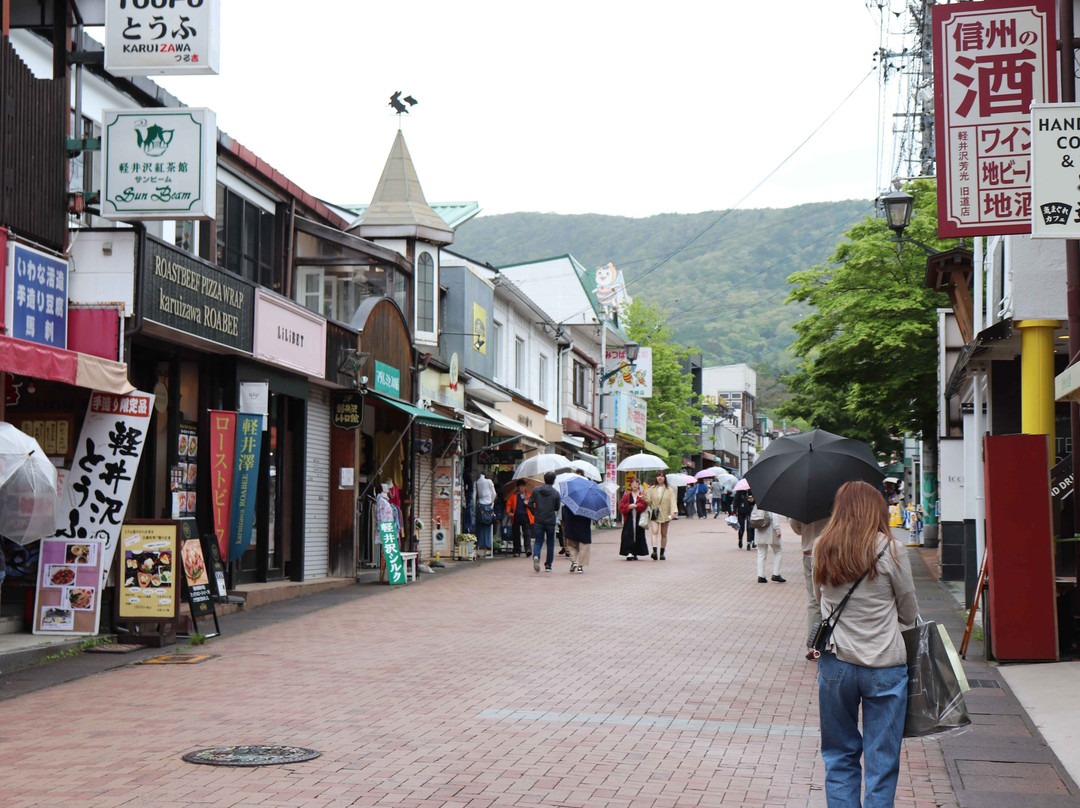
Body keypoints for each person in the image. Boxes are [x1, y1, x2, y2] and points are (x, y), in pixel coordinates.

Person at [813, 481, 919, 808]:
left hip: (836, 664)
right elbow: (908, 612)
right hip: (884, 665)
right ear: (876, 510)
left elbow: (820, 604)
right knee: (881, 759)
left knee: (839, 753)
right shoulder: (891, 548)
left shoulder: (822, 546)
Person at [790, 516, 830, 660]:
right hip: (831, 552)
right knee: (833, 596)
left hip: (809, 552)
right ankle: (831, 642)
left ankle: (814, 646)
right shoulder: (834, 501)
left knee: (813, 600)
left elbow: (796, 527)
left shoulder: (802, 502)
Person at [530, 471, 562, 572]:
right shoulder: (556, 493)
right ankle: (548, 565)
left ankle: (536, 555)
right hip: (550, 520)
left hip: (538, 519)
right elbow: (557, 507)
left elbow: (530, 503)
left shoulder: (536, 490)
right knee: (550, 543)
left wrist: (535, 512)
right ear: (553, 481)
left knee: (538, 540)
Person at [644, 471, 677, 560]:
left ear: (665, 478)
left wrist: (673, 512)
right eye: (658, 476)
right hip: (655, 512)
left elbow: (672, 501)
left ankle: (662, 552)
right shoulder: (652, 489)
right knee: (654, 531)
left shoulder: (669, 489)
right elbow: (649, 501)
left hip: (666, 513)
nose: (660, 478)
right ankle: (654, 551)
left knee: (664, 534)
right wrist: (644, 494)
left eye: (662, 476)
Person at [618, 478, 650, 560]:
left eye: (636, 483)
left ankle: (636, 551)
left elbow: (644, 505)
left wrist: (637, 506)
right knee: (628, 534)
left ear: (639, 485)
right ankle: (629, 552)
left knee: (638, 534)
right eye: (633, 484)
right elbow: (621, 506)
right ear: (630, 485)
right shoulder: (626, 496)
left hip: (639, 517)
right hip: (629, 517)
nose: (635, 485)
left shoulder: (641, 495)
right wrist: (628, 507)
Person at [505, 480, 534, 557]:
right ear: (517, 487)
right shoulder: (513, 496)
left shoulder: (529, 495)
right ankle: (517, 550)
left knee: (527, 533)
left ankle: (528, 549)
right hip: (516, 516)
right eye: (520, 486)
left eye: (523, 486)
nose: (521, 488)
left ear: (525, 487)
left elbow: (534, 506)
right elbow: (508, 505)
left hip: (526, 516)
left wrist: (528, 504)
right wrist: (509, 512)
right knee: (516, 534)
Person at [755, 510, 785, 583]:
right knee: (779, 551)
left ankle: (761, 575)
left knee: (761, 553)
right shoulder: (771, 504)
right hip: (771, 532)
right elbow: (775, 518)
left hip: (759, 531)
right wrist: (778, 530)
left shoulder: (757, 505)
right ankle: (776, 574)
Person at [562, 502, 592, 573]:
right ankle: (580, 567)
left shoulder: (569, 503)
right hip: (584, 528)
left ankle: (574, 561)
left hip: (571, 527)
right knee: (584, 547)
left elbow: (564, 514)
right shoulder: (588, 505)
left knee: (572, 546)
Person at [474, 473, 497, 558]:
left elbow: (474, 496)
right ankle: (488, 547)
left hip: (480, 506)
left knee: (479, 527)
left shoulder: (476, 482)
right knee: (488, 527)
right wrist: (492, 503)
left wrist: (474, 507)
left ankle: (480, 547)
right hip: (489, 506)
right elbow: (494, 494)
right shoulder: (489, 481)